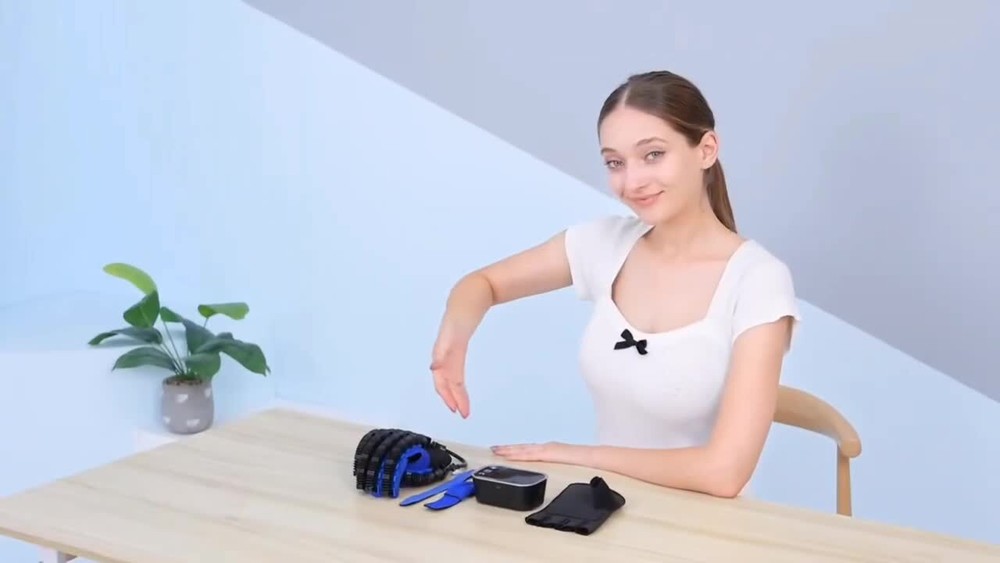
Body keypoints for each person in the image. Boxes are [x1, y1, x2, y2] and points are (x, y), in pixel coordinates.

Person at [429, 70, 800, 498]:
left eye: (653, 155)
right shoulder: (605, 244)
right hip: (610, 509)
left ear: (706, 150)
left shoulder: (758, 279)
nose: (632, 182)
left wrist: (576, 456)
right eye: (615, 163)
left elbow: (724, 473)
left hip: (706, 525)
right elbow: (482, 284)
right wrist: (456, 334)